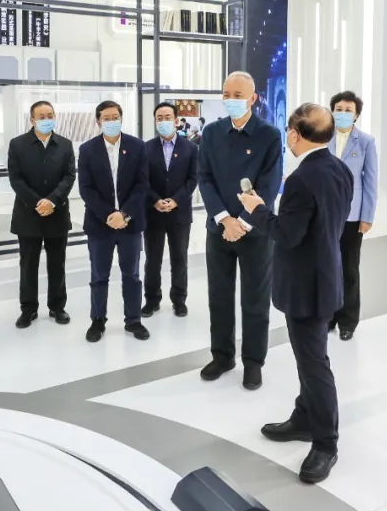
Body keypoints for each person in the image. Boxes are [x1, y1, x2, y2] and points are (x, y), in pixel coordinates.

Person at [237, 103, 353, 485]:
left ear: (293, 134)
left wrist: (256, 209)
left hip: (306, 287)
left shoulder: (302, 178)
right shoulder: (339, 169)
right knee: (308, 359)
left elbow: (286, 234)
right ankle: (304, 418)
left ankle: (326, 443)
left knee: (314, 364)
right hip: (325, 277)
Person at [197, 71, 283, 390]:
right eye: (226, 94)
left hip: (255, 232)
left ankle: (253, 362)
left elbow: (269, 185)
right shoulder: (212, 133)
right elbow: (204, 178)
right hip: (219, 230)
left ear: (253, 98)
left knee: (255, 299)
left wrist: (244, 222)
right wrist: (224, 219)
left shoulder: (268, 135)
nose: (231, 100)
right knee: (219, 297)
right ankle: (222, 356)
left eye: (238, 95)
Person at [78, 101, 151, 342]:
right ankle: (98, 320)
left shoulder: (137, 147)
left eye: (115, 117)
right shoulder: (87, 149)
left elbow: (142, 185)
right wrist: (109, 215)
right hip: (99, 225)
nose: (111, 122)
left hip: (130, 224)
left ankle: (133, 320)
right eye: (106, 118)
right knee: (99, 275)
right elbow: (86, 189)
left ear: (121, 118)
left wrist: (124, 214)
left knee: (132, 274)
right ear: (98, 121)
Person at [8, 101, 76, 329]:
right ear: (32, 120)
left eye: (50, 115)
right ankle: (28, 309)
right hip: (28, 214)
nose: (47, 119)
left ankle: (57, 307)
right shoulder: (18, 144)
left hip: (57, 213)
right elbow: (16, 179)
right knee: (28, 265)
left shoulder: (65, 145)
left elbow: (69, 176)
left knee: (57, 264)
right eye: (42, 116)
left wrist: (52, 201)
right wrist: (38, 202)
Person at [328, 91, 378, 340]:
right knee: (326, 266)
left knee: (349, 268)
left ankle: (348, 321)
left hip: (352, 215)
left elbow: (370, 181)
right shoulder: (322, 137)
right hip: (325, 214)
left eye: (348, 110)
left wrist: (367, 216)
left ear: (356, 115)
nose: (343, 113)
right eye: (339, 109)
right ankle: (328, 316)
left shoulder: (365, 142)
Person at [142, 102, 199, 318]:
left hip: (179, 213)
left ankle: (179, 299)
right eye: (159, 118)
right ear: (155, 121)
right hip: (153, 213)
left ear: (176, 121)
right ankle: (152, 300)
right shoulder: (146, 148)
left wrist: (175, 200)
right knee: (152, 259)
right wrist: (155, 200)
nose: (163, 121)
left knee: (179, 258)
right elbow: (142, 180)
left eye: (167, 117)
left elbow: (193, 179)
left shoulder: (191, 148)